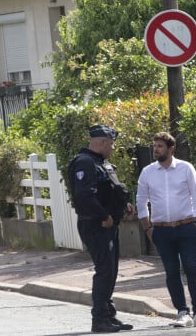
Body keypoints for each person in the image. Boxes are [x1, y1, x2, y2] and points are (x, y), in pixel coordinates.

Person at [136, 132, 196, 328]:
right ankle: (182, 311)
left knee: (192, 267)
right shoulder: (147, 172)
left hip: (186, 226)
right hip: (161, 229)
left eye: (160, 146)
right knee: (171, 271)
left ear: (171, 149)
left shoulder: (186, 168)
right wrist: (147, 227)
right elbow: (141, 201)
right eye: (155, 146)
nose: (155, 149)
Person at [67, 125, 134, 333]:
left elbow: (110, 190)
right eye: (111, 143)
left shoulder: (100, 163)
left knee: (111, 271)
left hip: (108, 223)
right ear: (102, 142)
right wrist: (103, 216)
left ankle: (109, 315)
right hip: (96, 224)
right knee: (104, 271)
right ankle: (99, 320)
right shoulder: (84, 163)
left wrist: (124, 205)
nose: (113, 148)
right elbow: (84, 196)